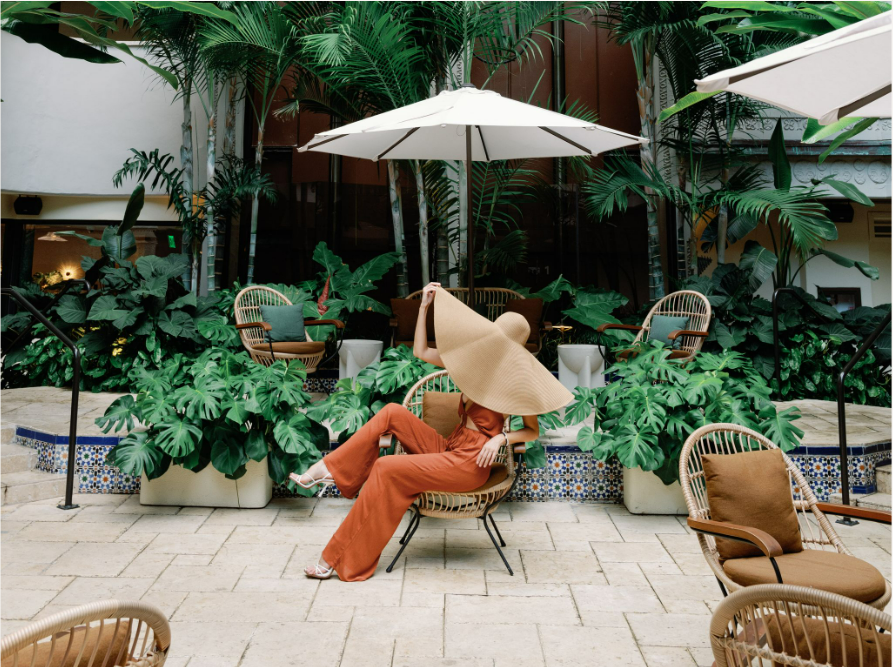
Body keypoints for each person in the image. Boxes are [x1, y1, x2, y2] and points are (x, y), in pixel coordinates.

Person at [289, 283, 572, 581]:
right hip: (450, 448)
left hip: (469, 464)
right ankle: (328, 469)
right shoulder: (472, 364)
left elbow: (531, 431)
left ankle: (333, 558)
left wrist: (502, 437)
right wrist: (425, 306)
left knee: (386, 467)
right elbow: (421, 350)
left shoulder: (517, 383)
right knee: (392, 412)